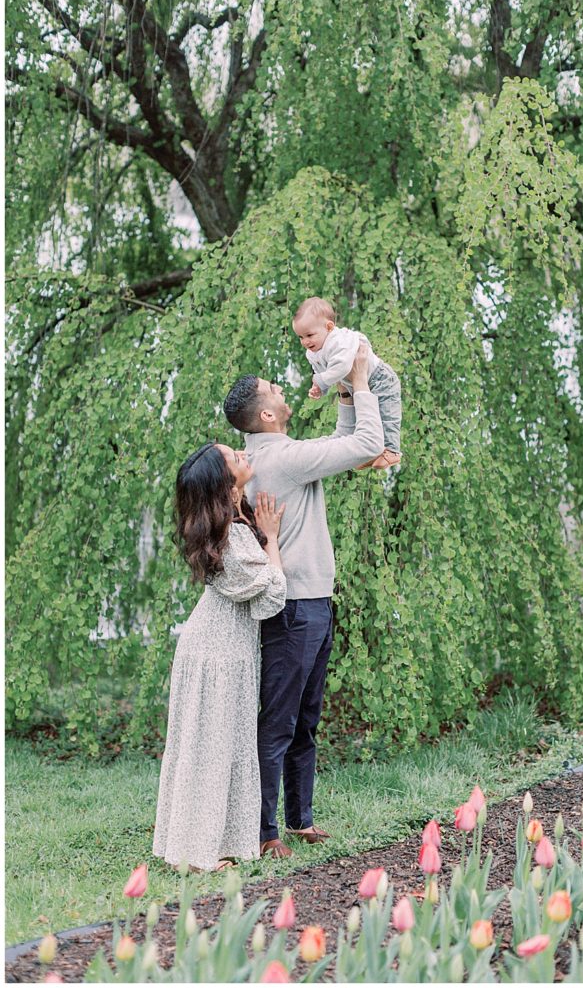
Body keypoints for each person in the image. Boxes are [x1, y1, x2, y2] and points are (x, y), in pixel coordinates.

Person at [223, 344, 383, 858]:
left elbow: (340, 441)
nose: (282, 388)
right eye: (274, 388)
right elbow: (365, 444)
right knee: (280, 722)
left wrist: (341, 392)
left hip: (311, 603)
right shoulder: (283, 460)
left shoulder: (280, 456)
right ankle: (266, 832)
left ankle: (300, 821)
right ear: (267, 415)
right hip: (295, 608)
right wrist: (359, 381)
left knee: (304, 720)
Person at [153, 442, 287, 872]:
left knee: (213, 745)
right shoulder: (234, 536)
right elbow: (272, 596)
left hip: (219, 645)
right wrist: (276, 542)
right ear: (224, 482)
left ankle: (204, 843)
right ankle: (198, 853)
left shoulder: (231, 527)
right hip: (218, 650)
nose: (241, 453)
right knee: (212, 747)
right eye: (232, 455)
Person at [293, 295, 402, 469]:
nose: (305, 342)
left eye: (309, 335)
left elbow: (341, 367)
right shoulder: (312, 352)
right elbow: (323, 372)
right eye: (300, 337)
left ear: (329, 327)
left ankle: (392, 451)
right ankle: (372, 452)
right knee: (364, 418)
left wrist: (321, 380)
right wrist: (320, 388)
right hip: (355, 384)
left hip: (380, 378)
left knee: (386, 414)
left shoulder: (337, 342)